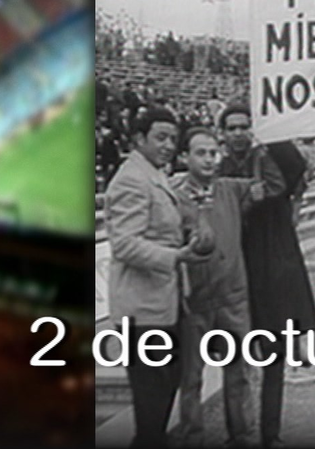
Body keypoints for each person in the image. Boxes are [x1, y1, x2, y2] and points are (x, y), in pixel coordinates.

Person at [105, 107, 210, 447]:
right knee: (151, 400)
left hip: (164, 302)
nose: (168, 145)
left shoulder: (155, 175)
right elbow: (123, 244)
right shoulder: (131, 179)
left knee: (165, 387)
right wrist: (176, 255)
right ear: (138, 139)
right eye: (160, 137)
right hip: (142, 308)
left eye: (172, 139)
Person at [218, 105, 315, 448]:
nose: (238, 132)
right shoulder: (218, 170)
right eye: (231, 127)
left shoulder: (275, 162)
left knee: (273, 362)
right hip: (236, 275)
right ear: (223, 132)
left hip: (272, 275)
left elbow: (295, 167)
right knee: (234, 361)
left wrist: (273, 129)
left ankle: (271, 434)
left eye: (244, 126)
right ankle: (238, 433)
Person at [171, 127, 264, 448]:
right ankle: (192, 437)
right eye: (201, 152)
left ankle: (241, 435)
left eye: (213, 152)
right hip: (194, 300)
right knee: (192, 377)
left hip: (233, 297)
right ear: (185, 157)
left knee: (239, 372)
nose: (209, 159)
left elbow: (273, 184)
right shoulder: (173, 196)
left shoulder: (232, 189)